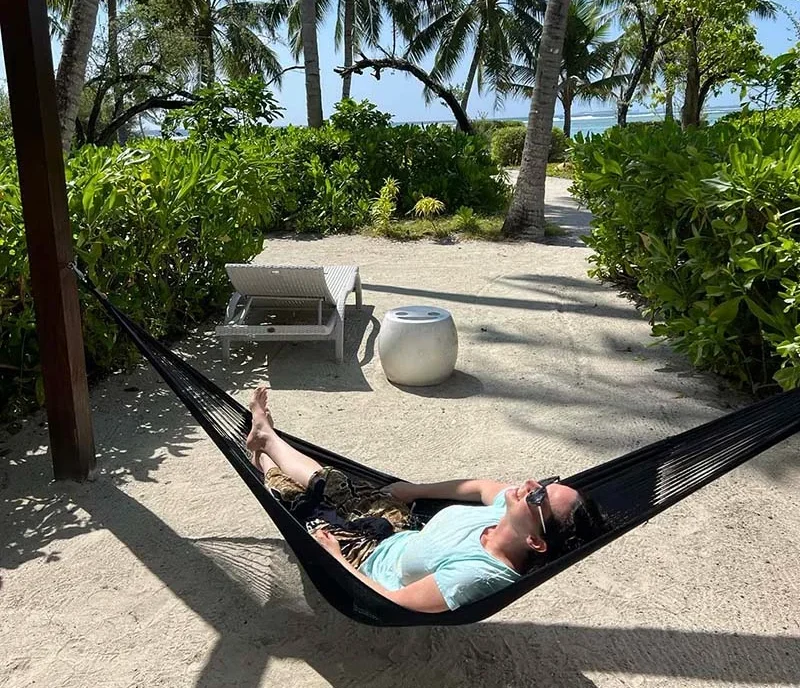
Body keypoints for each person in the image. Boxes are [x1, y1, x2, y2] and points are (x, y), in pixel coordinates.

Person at [246, 385, 605, 613]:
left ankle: (259, 457)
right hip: (397, 528)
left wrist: (339, 561)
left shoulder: (478, 574)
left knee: (298, 500)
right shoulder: (506, 514)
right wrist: (414, 489)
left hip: (364, 561)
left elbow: (395, 602)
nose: (530, 483)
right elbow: (479, 486)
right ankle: (267, 436)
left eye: (539, 494)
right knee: (335, 482)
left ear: (535, 541)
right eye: (543, 482)